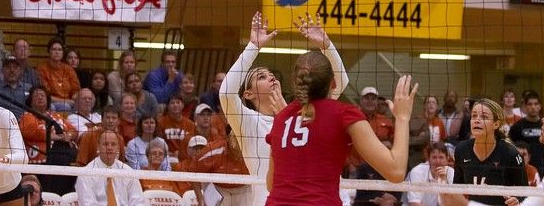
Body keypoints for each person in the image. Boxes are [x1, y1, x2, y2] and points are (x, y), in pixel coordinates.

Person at [221, 12, 349, 206]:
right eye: (261, 77)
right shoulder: (247, 121)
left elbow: (339, 83)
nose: (271, 77)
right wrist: (253, 47)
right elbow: (226, 93)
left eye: (271, 74)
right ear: (248, 94)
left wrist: (326, 45)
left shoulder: (302, 112)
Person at [265, 50, 417, 206]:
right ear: (334, 83)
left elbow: (271, 184)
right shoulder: (344, 114)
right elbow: (396, 172)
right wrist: (402, 118)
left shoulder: (281, 118)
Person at [452, 98, 528, 205]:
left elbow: (524, 192)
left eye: (484, 117)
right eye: (474, 116)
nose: (477, 120)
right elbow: (456, 189)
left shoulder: (510, 153)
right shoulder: (461, 149)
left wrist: (517, 200)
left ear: (496, 124)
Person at [75, 130, 147, 206]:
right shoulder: (86, 174)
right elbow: (87, 203)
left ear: (118, 148)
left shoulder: (128, 172)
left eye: (113, 144)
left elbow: (138, 201)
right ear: (98, 146)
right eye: (105, 144)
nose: (109, 148)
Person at [18, 85, 78, 164]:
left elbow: (73, 130)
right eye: (36, 96)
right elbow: (32, 132)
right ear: (30, 101)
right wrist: (59, 137)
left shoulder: (55, 116)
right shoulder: (27, 116)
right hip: (44, 157)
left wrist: (68, 136)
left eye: (42, 95)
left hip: (66, 152)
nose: (40, 98)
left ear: (47, 100)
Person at [509, 91, 544, 177]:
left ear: (540, 106)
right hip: (523, 169)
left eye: (536, 104)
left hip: (542, 169)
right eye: (530, 104)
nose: (533, 107)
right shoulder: (517, 126)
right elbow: (512, 148)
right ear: (525, 106)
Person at [37, 37, 80, 112]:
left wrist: (74, 98)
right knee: (59, 107)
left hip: (69, 102)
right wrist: (66, 101)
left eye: (60, 50)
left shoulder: (69, 69)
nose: (57, 52)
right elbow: (45, 94)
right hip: (50, 102)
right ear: (49, 51)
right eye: (54, 49)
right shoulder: (42, 69)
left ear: (63, 53)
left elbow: (76, 90)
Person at [158, 94, 196, 164]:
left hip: (185, 158)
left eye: (178, 102)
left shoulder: (191, 124)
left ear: (183, 105)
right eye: (172, 103)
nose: (175, 105)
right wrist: (167, 153)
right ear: (168, 106)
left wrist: (181, 154)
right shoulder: (160, 122)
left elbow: (192, 146)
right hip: (166, 157)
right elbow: (158, 143)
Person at [0, 56, 32, 121]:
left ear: (21, 71)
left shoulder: (29, 88)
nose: (12, 70)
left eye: (15, 67)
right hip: (3, 124)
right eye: (8, 67)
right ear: (2, 71)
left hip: (27, 124)